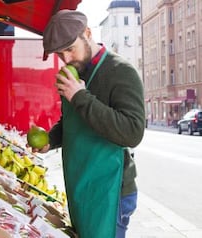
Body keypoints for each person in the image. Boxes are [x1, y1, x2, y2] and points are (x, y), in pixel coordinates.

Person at [34, 10, 146, 238]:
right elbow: (73, 122)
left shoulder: (121, 72)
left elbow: (133, 132)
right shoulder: (73, 74)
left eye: (70, 48)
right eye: (59, 53)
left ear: (87, 33)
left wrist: (80, 97)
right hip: (80, 185)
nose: (66, 59)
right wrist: (51, 140)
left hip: (110, 191)